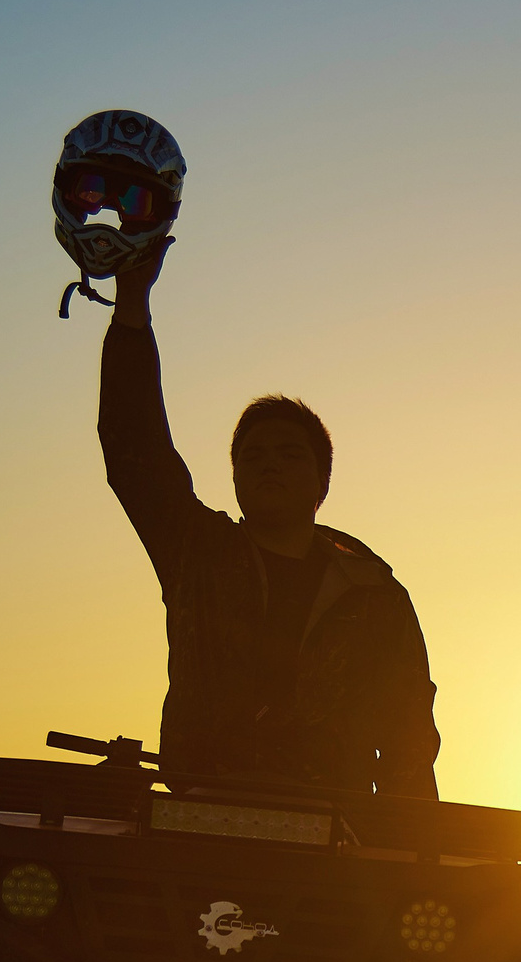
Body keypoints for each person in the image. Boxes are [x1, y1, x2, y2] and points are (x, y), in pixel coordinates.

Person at [97, 239, 440, 797]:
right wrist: (131, 308)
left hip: (334, 830)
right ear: (235, 477)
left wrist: (405, 842)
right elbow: (135, 448)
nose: (268, 465)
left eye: (289, 454)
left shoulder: (375, 595)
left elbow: (409, 742)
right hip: (199, 813)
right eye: (252, 456)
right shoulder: (196, 553)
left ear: (322, 481)